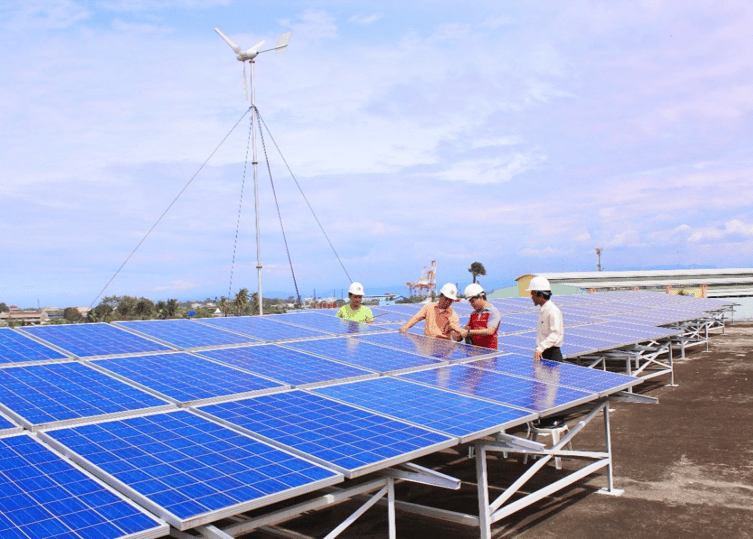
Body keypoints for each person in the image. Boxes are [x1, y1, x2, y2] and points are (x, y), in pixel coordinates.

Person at [399, 283, 464, 341]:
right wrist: (406, 327)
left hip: (443, 347)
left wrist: (457, 335)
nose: (448, 302)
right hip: (427, 343)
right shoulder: (429, 307)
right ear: (440, 297)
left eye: (450, 300)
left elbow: (455, 335)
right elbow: (416, 318)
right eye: (446, 299)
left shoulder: (453, 315)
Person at [527, 276, 564, 361]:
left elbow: (556, 334)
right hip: (543, 352)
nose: (531, 297)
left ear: (540, 295)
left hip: (551, 354)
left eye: (532, 294)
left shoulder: (552, 310)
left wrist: (541, 348)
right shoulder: (543, 310)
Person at [462, 283, 501, 349]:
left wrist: (468, 332)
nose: (471, 304)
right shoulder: (473, 314)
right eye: (470, 302)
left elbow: (490, 331)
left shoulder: (493, 312)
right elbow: (467, 329)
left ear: (480, 297)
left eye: (473, 301)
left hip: (489, 354)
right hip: (475, 353)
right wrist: (458, 332)